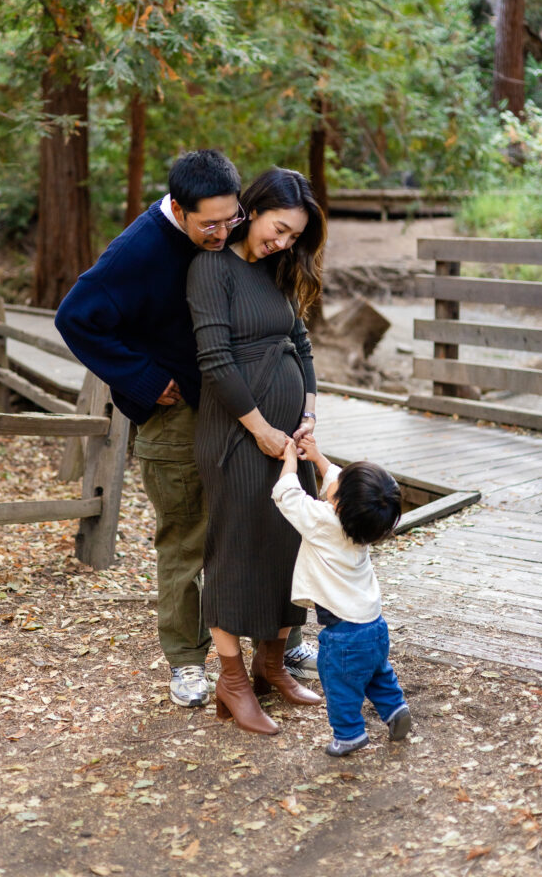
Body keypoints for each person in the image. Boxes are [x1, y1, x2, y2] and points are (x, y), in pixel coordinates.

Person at [55, 150, 315, 710]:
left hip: (230, 409)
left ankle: (276, 639)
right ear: (179, 208)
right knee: (187, 539)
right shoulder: (139, 250)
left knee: (258, 522)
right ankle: (188, 659)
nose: (223, 232)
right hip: (176, 415)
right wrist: (144, 379)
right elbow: (74, 318)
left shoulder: (234, 233)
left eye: (232, 218)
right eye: (210, 225)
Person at [186, 166, 327, 736]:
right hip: (237, 434)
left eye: (294, 236)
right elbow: (215, 359)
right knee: (236, 547)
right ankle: (233, 681)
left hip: (289, 435)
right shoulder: (210, 268)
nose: (284, 242)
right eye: (280, 228)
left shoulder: (275, 271)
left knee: (290, 542)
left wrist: (309, 413)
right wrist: (261, 428)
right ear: (256, 207)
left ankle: (272, 665)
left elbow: (300, 342)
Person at [272, 432, 412, 756]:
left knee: (340, 683)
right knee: (377, 672)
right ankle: (395, 709)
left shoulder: (324, 521)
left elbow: (287, 496)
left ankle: (349, 735)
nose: (335, 477)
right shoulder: (363, 525)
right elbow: (340, 483)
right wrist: (318, 458)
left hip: (343, 633)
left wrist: (291, 460)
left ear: (339, 503)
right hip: (374, 625)